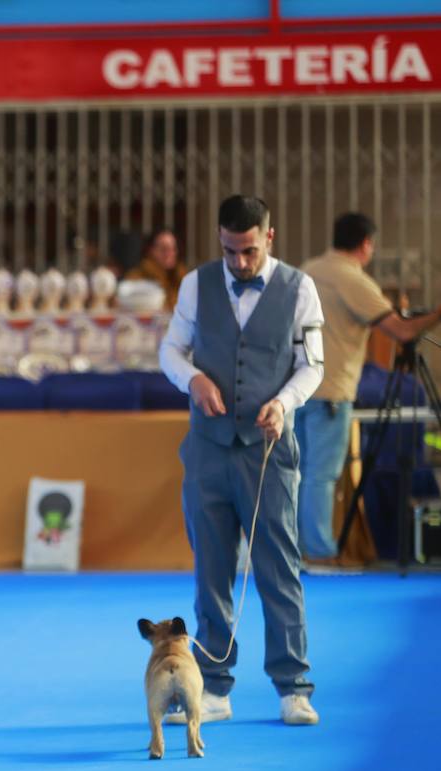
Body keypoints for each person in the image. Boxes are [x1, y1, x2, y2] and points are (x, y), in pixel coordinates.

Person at [158, 195, 324, 727]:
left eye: (249, 251)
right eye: (230, 251)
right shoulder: (194, 284)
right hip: (207, 448)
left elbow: (312, 365)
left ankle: (293, 686)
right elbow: (171, 350)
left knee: (279, 570)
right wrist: (193, 379)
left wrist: (285, 402)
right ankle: (214, 686)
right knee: (211, 569)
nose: (239, 263)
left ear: (268, 238)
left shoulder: (300, 288)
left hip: (269, 450)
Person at [297, 213, 441, 566]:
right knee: (321, 474)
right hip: (330, 392)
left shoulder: (307, 269)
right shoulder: (353, 279)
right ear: (365, 244)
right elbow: (403, 332)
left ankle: (298, 551)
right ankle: (319, 553)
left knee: (298, 474)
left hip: (296, 388)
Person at [124, 227, 188, 310]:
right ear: (151, 250)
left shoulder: (183, 279)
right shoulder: (136, 276)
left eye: (173, 249)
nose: (169, 253)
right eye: (163, 249)